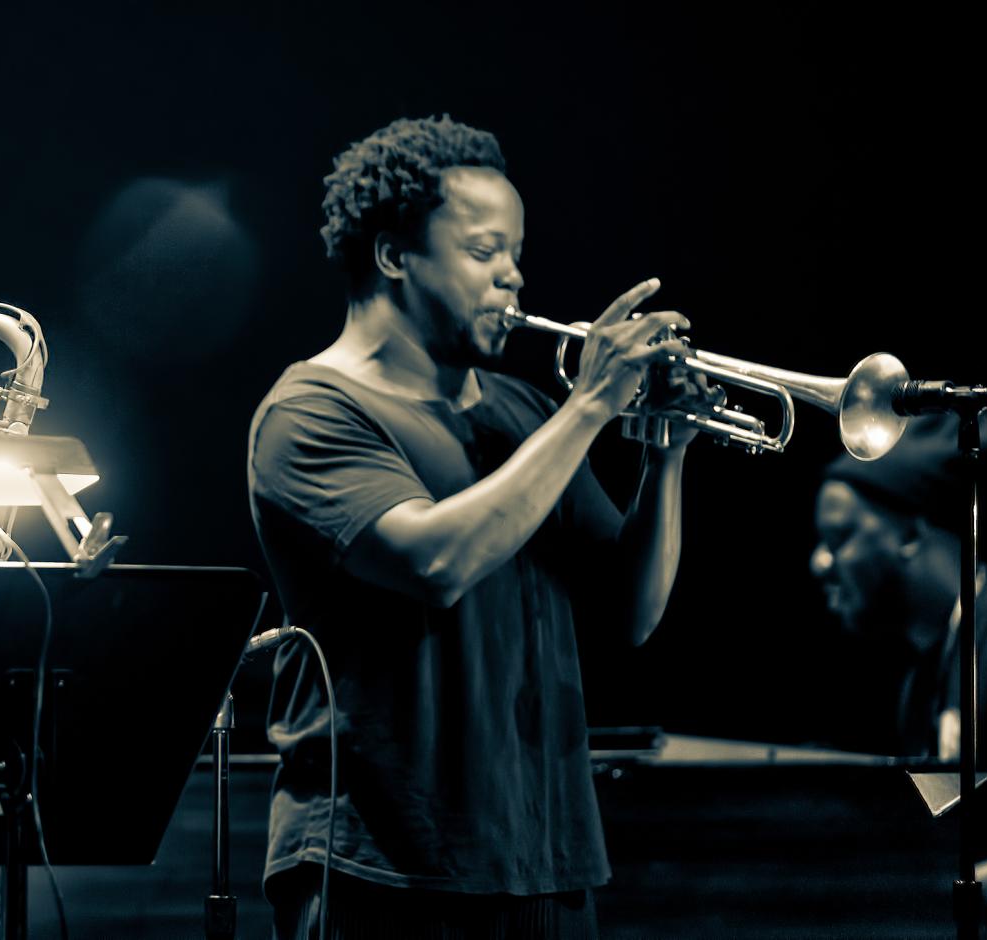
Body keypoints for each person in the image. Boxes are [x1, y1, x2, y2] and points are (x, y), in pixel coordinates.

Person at [246, 115, 699, 938]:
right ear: (393, 258)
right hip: (382, 871)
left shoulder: (522, 414)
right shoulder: (311, 411)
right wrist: (592, 407)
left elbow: (630, 613)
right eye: (485, 253)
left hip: (545, 864)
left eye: (516, 255)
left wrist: (664, 452)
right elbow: (436, 562)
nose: (514, 280)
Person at [810, 412, 987, 928]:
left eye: (841, 536)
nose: (820, 562)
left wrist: (933, 897)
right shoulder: (924, 673)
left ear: (910, 532)